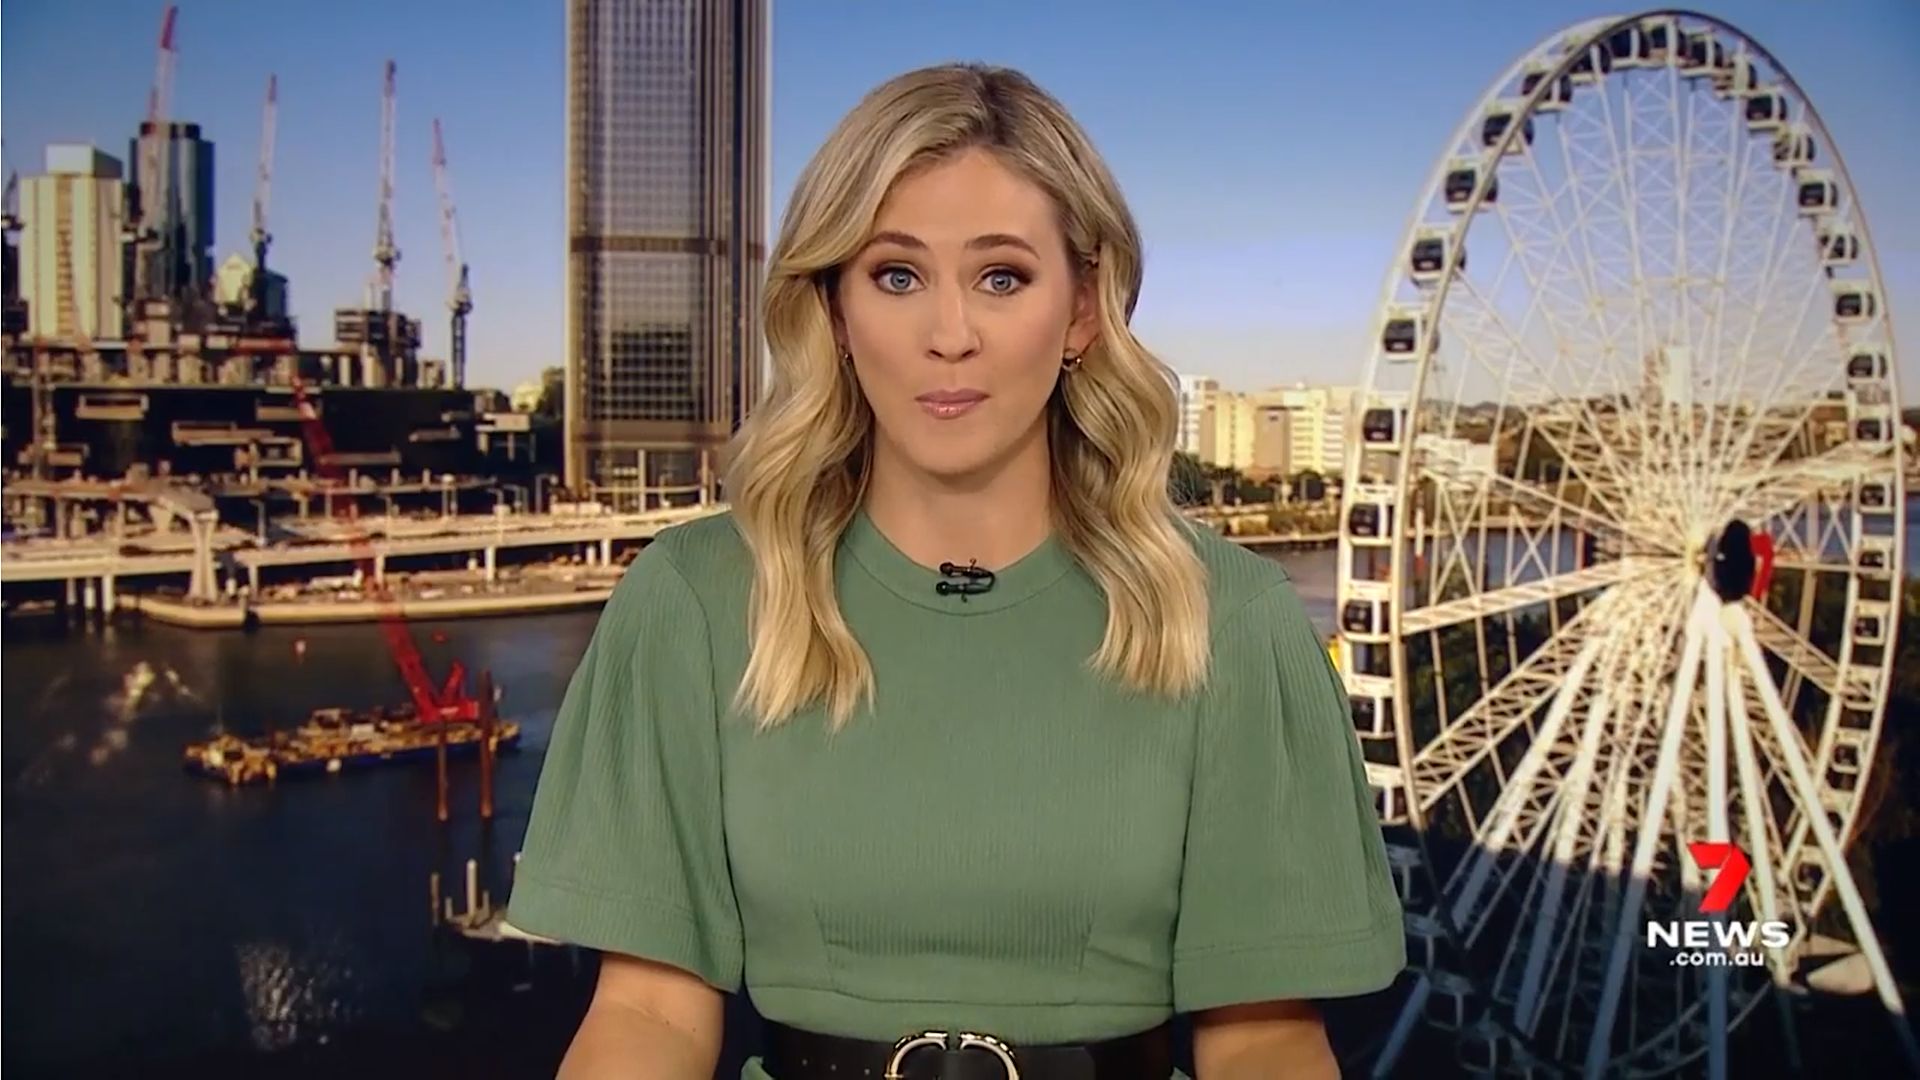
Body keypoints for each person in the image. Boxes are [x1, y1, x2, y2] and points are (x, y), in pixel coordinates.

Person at [506, 62, 1405, 1080]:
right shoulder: (695, 599)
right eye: (897, 276)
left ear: (1082, 311)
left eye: (1001, 278)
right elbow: (650, 1015)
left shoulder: (1229, 618)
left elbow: (1263, 1040)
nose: (949, 337)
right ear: (835, 312)